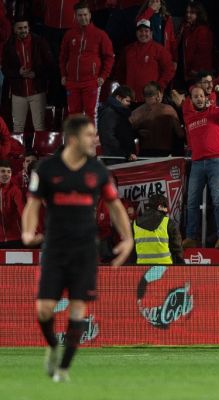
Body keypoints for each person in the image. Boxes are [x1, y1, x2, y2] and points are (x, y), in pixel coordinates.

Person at [21, 114, 133, 382]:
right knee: (44, 309)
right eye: (89, 135)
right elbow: (32, 205)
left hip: (85, 250)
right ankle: (51, 347)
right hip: (55, 249)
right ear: (72, 139)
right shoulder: (46, 169)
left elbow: (115, 206)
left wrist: (128, 238)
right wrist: (27, 231)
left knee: (77, 309)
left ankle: (63, 368)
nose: (95, 139)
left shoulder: (98, 171)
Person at [175, 84, 219, 250]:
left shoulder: (214, 111)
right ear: (191, 100)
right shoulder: (188, 116)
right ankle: (191, 237)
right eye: (195, 96)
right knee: (191, 201)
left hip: (216, 161)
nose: (199, 98)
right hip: (197, 162)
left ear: (206, 98)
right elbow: (179, 99)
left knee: (218, 200)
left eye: (201, 96)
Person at [59, 1, 114, 123]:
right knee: (73, 114)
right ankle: (76, 141)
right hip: (72, 81)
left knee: (91, 114)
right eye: (80, 15)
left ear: (90, 15)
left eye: (85, 14)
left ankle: (91, 142)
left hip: (91, 81)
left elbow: (109, 57)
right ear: (75, 16)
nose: (83, 18)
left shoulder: (100, 35)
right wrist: (63, 74)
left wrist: (103, 76)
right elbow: (63, 56)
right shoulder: (69, 34)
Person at [2, 17, 54, 135]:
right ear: (14, 29)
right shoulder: (9, 45)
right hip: (18, 92)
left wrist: (36, 73)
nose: (23, 30)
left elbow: (49, 65)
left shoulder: (39, 42)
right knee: (18, 126)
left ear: (29, 27)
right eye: (20, 28)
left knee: (39, 125)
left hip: (37, 91)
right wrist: (18, 73)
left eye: (25, 27)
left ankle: (40, 152)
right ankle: (17, 152)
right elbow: (5, 69)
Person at [118, 19, 176, 104]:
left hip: (151, 98)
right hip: (131, 99)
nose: (143, 34)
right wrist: (124, 88)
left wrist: (159, 87)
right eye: (140, 31)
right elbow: (120, 70)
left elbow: (169, 69)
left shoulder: (159, 50)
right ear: (136, 33)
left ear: (151, 33)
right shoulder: (128, 50)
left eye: (146, 31)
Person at [129, 82, 184, 157]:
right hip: (165, 153)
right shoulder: (168, 110)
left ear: (143, 96)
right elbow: (180, 134)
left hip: (144, 154)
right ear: (158, 94)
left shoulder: (136, 113)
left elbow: (127, 135)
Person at [133, 194, 183, 264]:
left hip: (141, 268)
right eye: (165, 207)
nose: (167, 210)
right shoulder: (168, 223)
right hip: (165, 269)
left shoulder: (135, 224)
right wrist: (181, 264)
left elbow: (132, 251)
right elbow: (177, 249)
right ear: (160, 207)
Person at [97, 85, 136, 164]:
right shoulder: (110, 112)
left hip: (121, 157)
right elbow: (108, 136)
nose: (129, 104)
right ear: (118, 98)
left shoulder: (119, 112)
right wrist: (124, 153)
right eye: (127, 101)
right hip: (115, 158)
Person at [0, 160, 24, 248]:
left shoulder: (15, 190)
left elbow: (22, 210)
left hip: (14, 238)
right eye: (2, 171)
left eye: (9, 172)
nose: (6, 174)